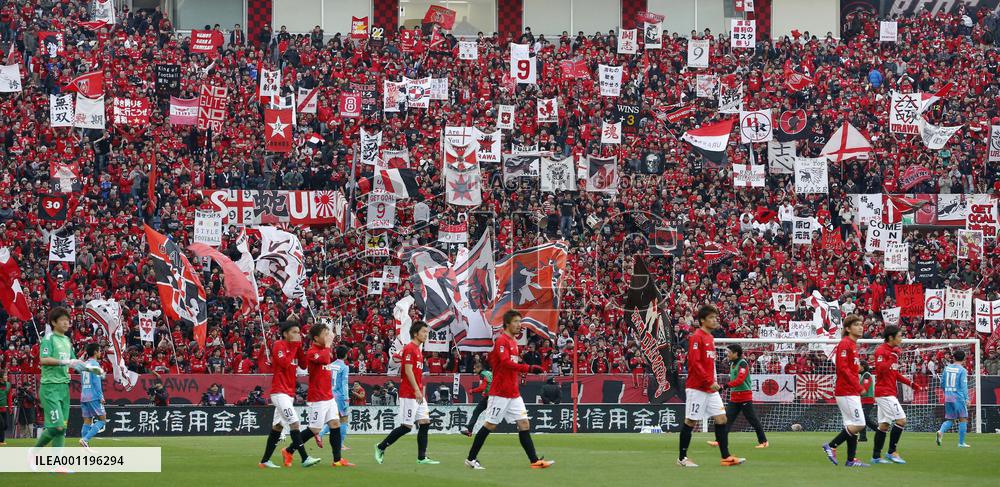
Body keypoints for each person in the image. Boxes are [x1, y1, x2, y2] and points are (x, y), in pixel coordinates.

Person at [465, 310, 553, 470]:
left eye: (520, 321)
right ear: (507, 324)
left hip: (513, 392)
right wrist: (529, 368)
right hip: (500, 393)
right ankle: (471, 458)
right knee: (490, 425)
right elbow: (505, 363)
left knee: (524, 424)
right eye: (516, 321)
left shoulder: (513, 342)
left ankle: (534, 461)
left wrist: (524, 370)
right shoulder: (501, 341)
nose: (519, 325)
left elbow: (510, 366)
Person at [677, 305, 744, 468]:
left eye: (716, 317)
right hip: (697, 388)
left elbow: (708, 364)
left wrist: (712, 381)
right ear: (702, 320)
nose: (715, 320)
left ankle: (726, 457)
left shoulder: (710, 338)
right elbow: (694, 362)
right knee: (691, 421)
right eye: (712, 317)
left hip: (710, 388)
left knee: (722, 419)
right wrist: (709, 381)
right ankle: (682, 458)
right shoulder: (696, 337)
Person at [375, 321, 440, 465]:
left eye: (427, 332)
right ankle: (381, 446)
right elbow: (408, 370)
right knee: (406, 427)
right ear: (416, 333)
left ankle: (421, 457)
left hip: (417, 394)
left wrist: (420, 391)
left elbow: (416, 373)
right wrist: (417, 390)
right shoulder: (410, 348)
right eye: (424, 331)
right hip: (409, 393)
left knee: (425, 422)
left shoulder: (418, 349)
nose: (426, 334)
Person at [35, 307, 101, 449]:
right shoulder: (48, 339)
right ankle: (33, 452)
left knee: (62, 428)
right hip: (50, 386)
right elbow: (44, 360)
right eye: (63, 320)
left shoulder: (66, 340)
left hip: (64, 387)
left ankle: (57, 464)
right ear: (53, 322)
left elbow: (74, 362)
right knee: (57, 427)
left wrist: (90, 369)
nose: (66, 323)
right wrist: (64, 362)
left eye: (67, 320)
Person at [258, 321, 321, 468]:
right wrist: (294, 346)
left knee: (278, 427)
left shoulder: (295, 346)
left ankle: (265, 461)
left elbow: (304, 365)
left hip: (289, 392)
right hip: (280, 392)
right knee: (294, 422)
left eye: (298, 332)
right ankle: (305, 458)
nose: (297, 335)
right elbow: (285, 363)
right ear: (285, 334)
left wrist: (300, 348)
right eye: (294, 332)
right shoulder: (279, 345)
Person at [300, 325, 353, 467]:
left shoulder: (323, 350)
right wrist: (328, 345)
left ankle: (337, 460)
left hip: (328, 396)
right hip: (318, 397)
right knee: (315, 429)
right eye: (325, 334)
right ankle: (289, 449)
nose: (328, 337)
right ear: (316, 338)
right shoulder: (312, 352)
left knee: (335, 424)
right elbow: (324, 359)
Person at [822, 314, 869, 467]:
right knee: (860, 423)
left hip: (849, 391)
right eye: (856, 324)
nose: (860, 327)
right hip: (847, 391)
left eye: (861, 324)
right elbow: (842, 368)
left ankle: (850, 460)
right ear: (848, 328)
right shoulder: (845, 343)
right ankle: (832, 445)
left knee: (851, 426)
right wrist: (858, 386)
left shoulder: (852, 345)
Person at [871, 325, 920, 464]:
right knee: (901, 420)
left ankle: (875, 456)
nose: (901, 339)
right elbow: (880, 370)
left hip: (889, 391)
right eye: (899, 336)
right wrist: (893, 357)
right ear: (891, 337)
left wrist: (911, 384)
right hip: (884, 393)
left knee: (884, 425)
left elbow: (894, 373)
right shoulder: (881, 351)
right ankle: (891, 452)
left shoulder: (892, 352)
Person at [707, 344, 768, 449]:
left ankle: (764, 441)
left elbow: (740, 380)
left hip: (744, 396)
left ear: (736, 353)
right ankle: (719, 441)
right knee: (726, 419)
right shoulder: (732, 363)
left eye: (729, 352)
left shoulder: (743, 363)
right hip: (735, 397)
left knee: (752, 419)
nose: (727, 354)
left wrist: (724, 386)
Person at [319, 346, 351, 450]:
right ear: (345, 355)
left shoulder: (330, 366)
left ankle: (320, 434)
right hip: (340, 396)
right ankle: (340, 444)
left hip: (329, 395)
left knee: (333, 419)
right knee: (344, 419)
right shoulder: (344, 367)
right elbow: (344, 383)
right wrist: (346, 398)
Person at [937, 350, 971, 448]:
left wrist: (947, 391)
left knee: (950, 419)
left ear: (954, 358)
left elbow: (942, 383)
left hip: (948, 396)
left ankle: (940, 431)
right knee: (963, 419)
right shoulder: (962, 370)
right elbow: (963, 386)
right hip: (958, 397)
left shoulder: (947, 368)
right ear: (964, 359)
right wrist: (967, 398)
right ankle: (961, 443)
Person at [79, 343, 108, 448]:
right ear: (95, 352)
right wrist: (101, 396)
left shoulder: (84, 364)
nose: (100, 353)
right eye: (99, 350)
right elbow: (96, 382)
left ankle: (84, 446)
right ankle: (85, 439)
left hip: (84, 395)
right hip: (93, 396)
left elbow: (82, 381)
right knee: (102, 420)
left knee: (87, 420)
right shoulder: (95, 365)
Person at [461, 362, 493, 436]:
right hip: (494, 396)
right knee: (478, 412)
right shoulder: (489, 373)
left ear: (480, 368)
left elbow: (482, 387)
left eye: (475, 368)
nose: (474, 370)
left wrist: (472, 390)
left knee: (476, 412)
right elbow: (490, 384)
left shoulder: (482, 374)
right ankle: (469, 430)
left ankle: (469, 431)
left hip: (490, 397)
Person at [858, 360, 879, 442]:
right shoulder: (863, 375)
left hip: (867, 400)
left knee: (864, 418)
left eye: (858, 366)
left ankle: (879, 430)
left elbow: (865, 389)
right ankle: (863, 437)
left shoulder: (866, 375)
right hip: (864, 400)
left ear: (863, 366)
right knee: (862, 418)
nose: (856, 367)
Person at [0, 370, 11, 445]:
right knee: (1, 424)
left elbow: (9, 397)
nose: (6, 376)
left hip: (4, 408)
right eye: (5, 375)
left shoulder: (8, 384)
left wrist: (10, 408)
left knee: (6, 425)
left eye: (6, 375)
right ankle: (1, 441)